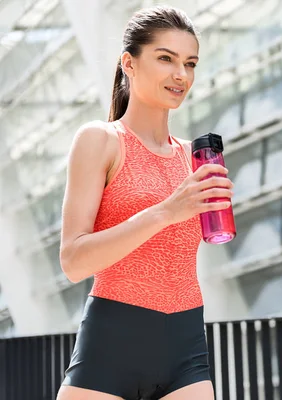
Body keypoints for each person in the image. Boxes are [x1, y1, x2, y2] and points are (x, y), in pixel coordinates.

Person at [56, 5, 232, 400]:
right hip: (111, 346)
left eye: (190, 63)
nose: (180, 75)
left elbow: (182, 249)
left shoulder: (195, 157)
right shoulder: (100, 140)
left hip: (186, 343)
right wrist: (168, 211)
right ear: (129, 64)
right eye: (165, 59)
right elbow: (73, 260)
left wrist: (213, 212)